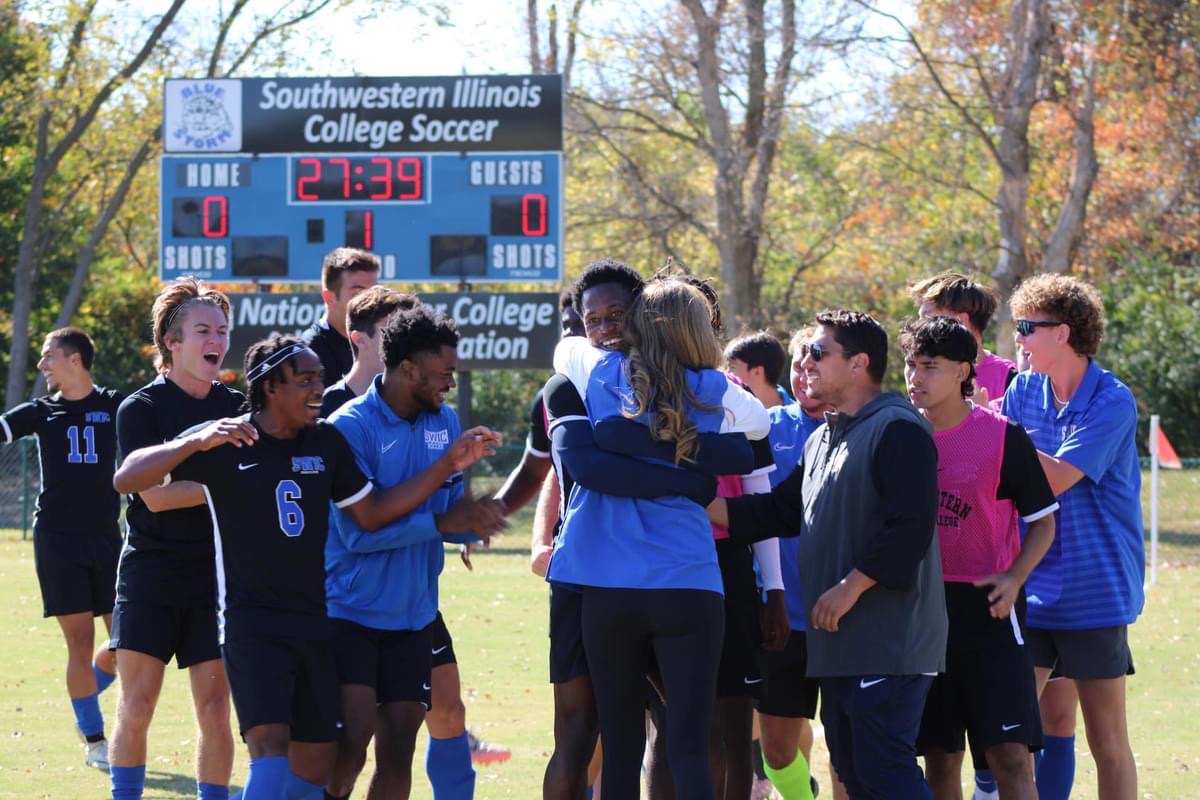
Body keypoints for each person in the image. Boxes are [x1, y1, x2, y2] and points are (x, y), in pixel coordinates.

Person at [110, 336, 504, 800]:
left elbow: (372, 513)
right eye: (306, 380)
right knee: (270, 752)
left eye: (319, 377)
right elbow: (127, 478)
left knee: (317, 763)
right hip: (252, 626)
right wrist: (194, 440)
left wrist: (447, 469)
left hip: (316, 626)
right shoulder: (228, 441)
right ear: (271, 387)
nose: (319, 388)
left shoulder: (326, 442)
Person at [709, 309, 946, 799]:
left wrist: (849, 587)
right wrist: (692, 498)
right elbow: (776, 512)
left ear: (859, 364)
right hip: (838, 645)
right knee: (855, 774)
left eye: (819, 352)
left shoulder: (899, 428)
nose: (806, 363)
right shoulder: (823, 437)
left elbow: (910, 527)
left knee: (886, 772)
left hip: (889, 644)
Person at [552, 277, 771, 800]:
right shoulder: (711, 386)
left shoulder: (599, 369)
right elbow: (758, 428)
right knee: (690, 747)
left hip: (609, 587)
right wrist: (689, 459)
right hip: (690, 583)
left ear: (639, 322)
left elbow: (565, 353)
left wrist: (638, 439)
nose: (604, 328)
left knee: (621, 747)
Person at [323, 306, 508, 800]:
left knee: (398, 751)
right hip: (349, 612)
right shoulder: (349, 427)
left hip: (414, 615)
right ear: (407, 369)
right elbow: (359, 534)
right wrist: (444, 522)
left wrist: (473, 521)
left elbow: (446, 511)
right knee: (351, 741)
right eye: (444, 372)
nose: (451, 381)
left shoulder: (444, 422)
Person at [901, 316, 1058, 800]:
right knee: (940, 757)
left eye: (930, 366)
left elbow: (1044, 522)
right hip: (921, 613)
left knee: (1010, 757)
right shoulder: (898, 436)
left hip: (990, 611)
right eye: (910, 364)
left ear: (963, 371)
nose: (915, 377)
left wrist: (1014, 578)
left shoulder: (1002, 435)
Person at [1001, 274, 1143, 800]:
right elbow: (1003, 477)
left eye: (1026, 327)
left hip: (1095, 592)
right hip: (1029, 587)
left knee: (1108, 743)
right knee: (1010, 739)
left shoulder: (1112, 400)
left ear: (1061, 333)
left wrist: (992, 431)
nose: (1017, 338)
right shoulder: (1023, 389)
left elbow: (1055, 478)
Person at [108, 278, 246, 800]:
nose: (216, 340)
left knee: (215, 709)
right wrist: (224, 485)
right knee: (137, 704)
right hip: (151, 573)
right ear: (172, 342)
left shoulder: (239, 407)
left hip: (216, 578)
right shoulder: (141, 408)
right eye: (203, 330)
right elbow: (156, 497)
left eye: (222, 331)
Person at [0, 328, 123, 770]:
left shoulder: (115, 405)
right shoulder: (41, 411)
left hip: (107, 538)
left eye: (48, 356)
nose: (42, 365)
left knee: (128, 642)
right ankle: (94, 739)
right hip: (57, 539)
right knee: (80, 641)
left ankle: (82, 699)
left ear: (75, 360)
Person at [752, 326, 831, 800]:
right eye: (798, 366)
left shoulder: (870, 428)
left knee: (851, 749)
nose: (804, 375)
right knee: (777, 752)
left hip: (848, 618)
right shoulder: (766, 426)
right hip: (783, 620)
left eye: (814, 365)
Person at [911, 272, 1017, 405]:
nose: (917, 328)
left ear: (960, 321)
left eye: (927, 319)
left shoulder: (1010, 379)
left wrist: (982, 413)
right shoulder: (917, 373)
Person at [320, 286, 416, 417]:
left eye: (410, 335)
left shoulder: (418, 407)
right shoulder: (325, 409)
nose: (408, 343)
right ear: (360, 340)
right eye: (394, 333)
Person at [304, 248, 380, 385]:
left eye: (375, 293)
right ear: (329, 298)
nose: (372, 302)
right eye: (358, 294)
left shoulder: (381, 344)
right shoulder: (310, 353)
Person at [724, 330, 794, 408]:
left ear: (757, 372)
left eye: (732, 367)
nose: (727, 373)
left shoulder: (797, 414)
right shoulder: (727, 408)